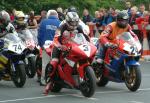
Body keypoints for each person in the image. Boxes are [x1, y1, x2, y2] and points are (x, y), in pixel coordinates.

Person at [45, 12, 90, 89]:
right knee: (54, 61)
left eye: (76, 22)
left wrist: (90, 43)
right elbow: (55, 39)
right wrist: (60, 46)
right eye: (72, 22)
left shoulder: (79, 27)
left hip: (73, 46)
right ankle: (50, 80)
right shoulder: (61, 28)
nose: (74, 24)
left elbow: (86, 37)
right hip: (60, 46)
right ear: (68, 21)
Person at [37, 10, 60, 85]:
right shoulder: (60, 23)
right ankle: (55, 81)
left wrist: (41, 45)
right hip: (57, 46)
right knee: (57, 63)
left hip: (46, 46)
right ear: (56, 15)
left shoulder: (43, 22)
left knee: (45, 64)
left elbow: (39, 35)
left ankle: (43, 81)